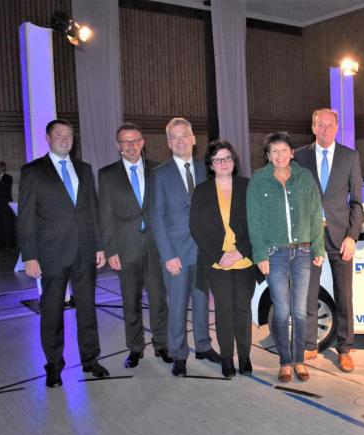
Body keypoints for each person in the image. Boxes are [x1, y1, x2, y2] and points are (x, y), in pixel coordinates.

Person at [17, 119, 109, 388]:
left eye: (69, 135)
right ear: (48, 138)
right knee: (52, 310)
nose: (65, 139)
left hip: (84, 251)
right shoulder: (33, 171)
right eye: (59, 135)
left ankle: (91, 359)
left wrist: (99, 245)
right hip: (52, 253)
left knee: (88, 308)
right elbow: (26, 217)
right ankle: (54, 365)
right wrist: (30, 255)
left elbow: (92, 209)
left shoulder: (84, 168)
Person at [247, 132, 325, 383]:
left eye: (284, 150)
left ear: (292, 152)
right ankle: (285, 361)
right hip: (275, 254)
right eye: (274, 151)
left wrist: (318, 249)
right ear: (268, 155)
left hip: (302, 252)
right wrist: (260, 254)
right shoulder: (259, 180)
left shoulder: (305, 177)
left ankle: (299, 359)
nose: (279, 156)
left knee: (300, 311)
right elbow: (255, 222)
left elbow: (315, 214)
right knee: (281, 311)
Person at [151, 117, 221, 377]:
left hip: (203, 253)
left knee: (202, 303)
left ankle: (203, 346)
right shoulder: (160, 174)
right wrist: (168, 255)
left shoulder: (208, 171)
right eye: (175, 137)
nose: (181, 141)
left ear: (194, 138)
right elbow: (156, 218)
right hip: (176, 255)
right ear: (169, 143)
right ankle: (179, 353)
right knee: (178, 306)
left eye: (185, 135)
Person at [295, 108, 364, 372]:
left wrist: (351, 237)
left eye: (330, 125)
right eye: (320, 125)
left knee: (344, 295)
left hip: (340, 237)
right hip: (310, 237)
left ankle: (345, 348)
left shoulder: (350, 156)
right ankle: (310, 343)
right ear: (312, 128)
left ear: (337, 127)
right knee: (308, 293)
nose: (325, 130)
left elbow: (357, 202)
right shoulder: (299, 157)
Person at [98, 123, 171, 369]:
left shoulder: (159, 169)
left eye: (135, 140)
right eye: (125, 142)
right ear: (119, 146)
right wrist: (110, 250)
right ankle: (135, 348)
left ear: (142, 142)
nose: (130, 146)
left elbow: (166, 210)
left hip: (156, 246)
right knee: (131, 301)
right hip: (126, 248)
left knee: (160, 299)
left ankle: (162, 344)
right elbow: (105, 215)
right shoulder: (107, 174)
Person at [190, 140, 256, 378]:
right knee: (224, 311)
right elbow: (196, 228)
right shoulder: (202, 191)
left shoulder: (248, 187)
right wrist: (220, 255)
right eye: (218, 159)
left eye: (227, 158)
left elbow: (257, 225)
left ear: (234, 161)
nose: (223, 163)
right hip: (217, 262)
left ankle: (245, 357)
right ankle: (227, 358)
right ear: (211, 164)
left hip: (244, 260)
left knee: (242, 309)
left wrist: (240, 251)